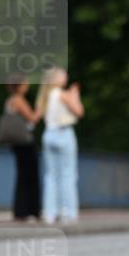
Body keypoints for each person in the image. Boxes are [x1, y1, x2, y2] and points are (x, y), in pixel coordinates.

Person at [36, 67, 84, 224]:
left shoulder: (45, 96)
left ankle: (50, 212)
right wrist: (75, 94)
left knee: (50, 176)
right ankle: (69, 212)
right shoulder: (62, 94)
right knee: (68, 174)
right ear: (56, 79)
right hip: (63, 133)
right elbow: (79, 112)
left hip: (48, 134)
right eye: (63, 75)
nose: (66, 77)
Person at [3, 79, 42, 220]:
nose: (27, 86)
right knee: (30, 176)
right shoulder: (19, 101)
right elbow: (32, 118)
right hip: (25, 143)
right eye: (25, 83)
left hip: (16, 143)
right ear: (19, 86)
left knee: (21, 176)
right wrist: (41, 108)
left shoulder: (9, 101)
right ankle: (31, 210)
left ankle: (20, 210)